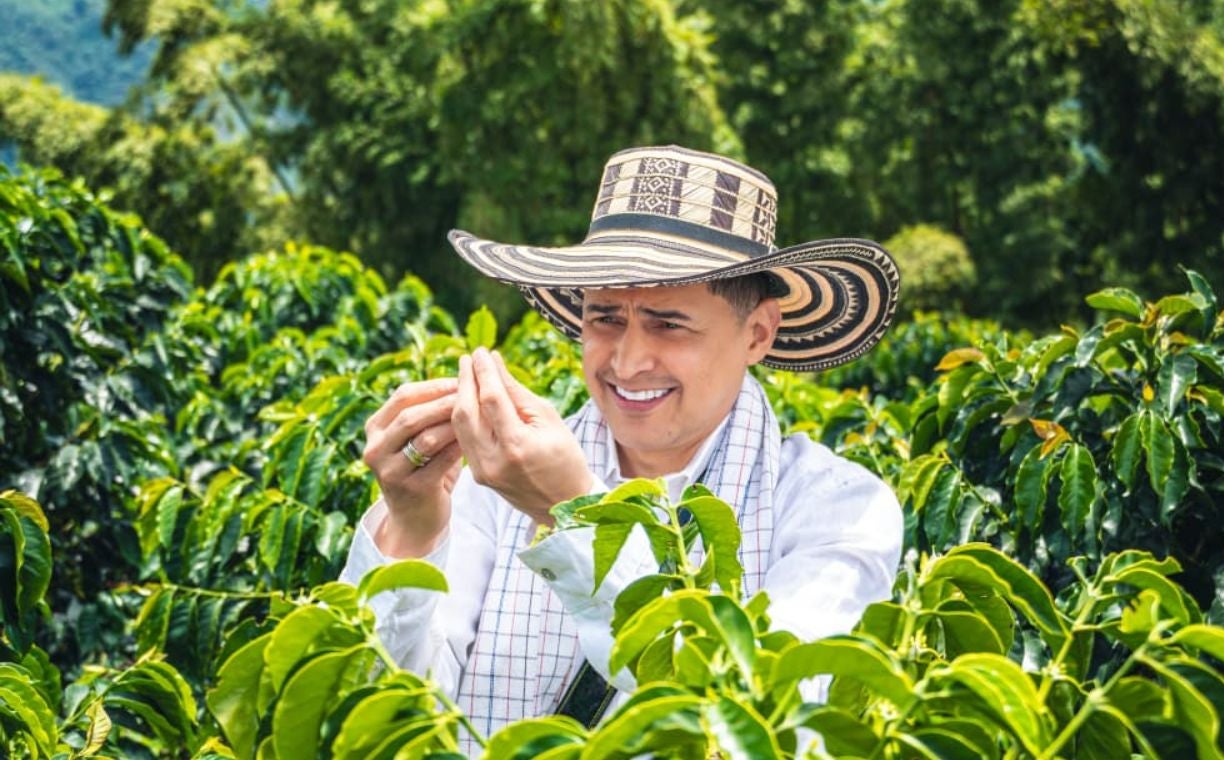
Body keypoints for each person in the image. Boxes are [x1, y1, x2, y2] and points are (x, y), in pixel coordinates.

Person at [340, 145, 904, 752]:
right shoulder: (493, 483)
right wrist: (412, 527)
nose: (629, 362)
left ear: (758, 333)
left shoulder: (836, 509)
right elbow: (393, 715)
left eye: (669, 324)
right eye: (605, 318)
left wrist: (574, 513)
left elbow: (770, 719)